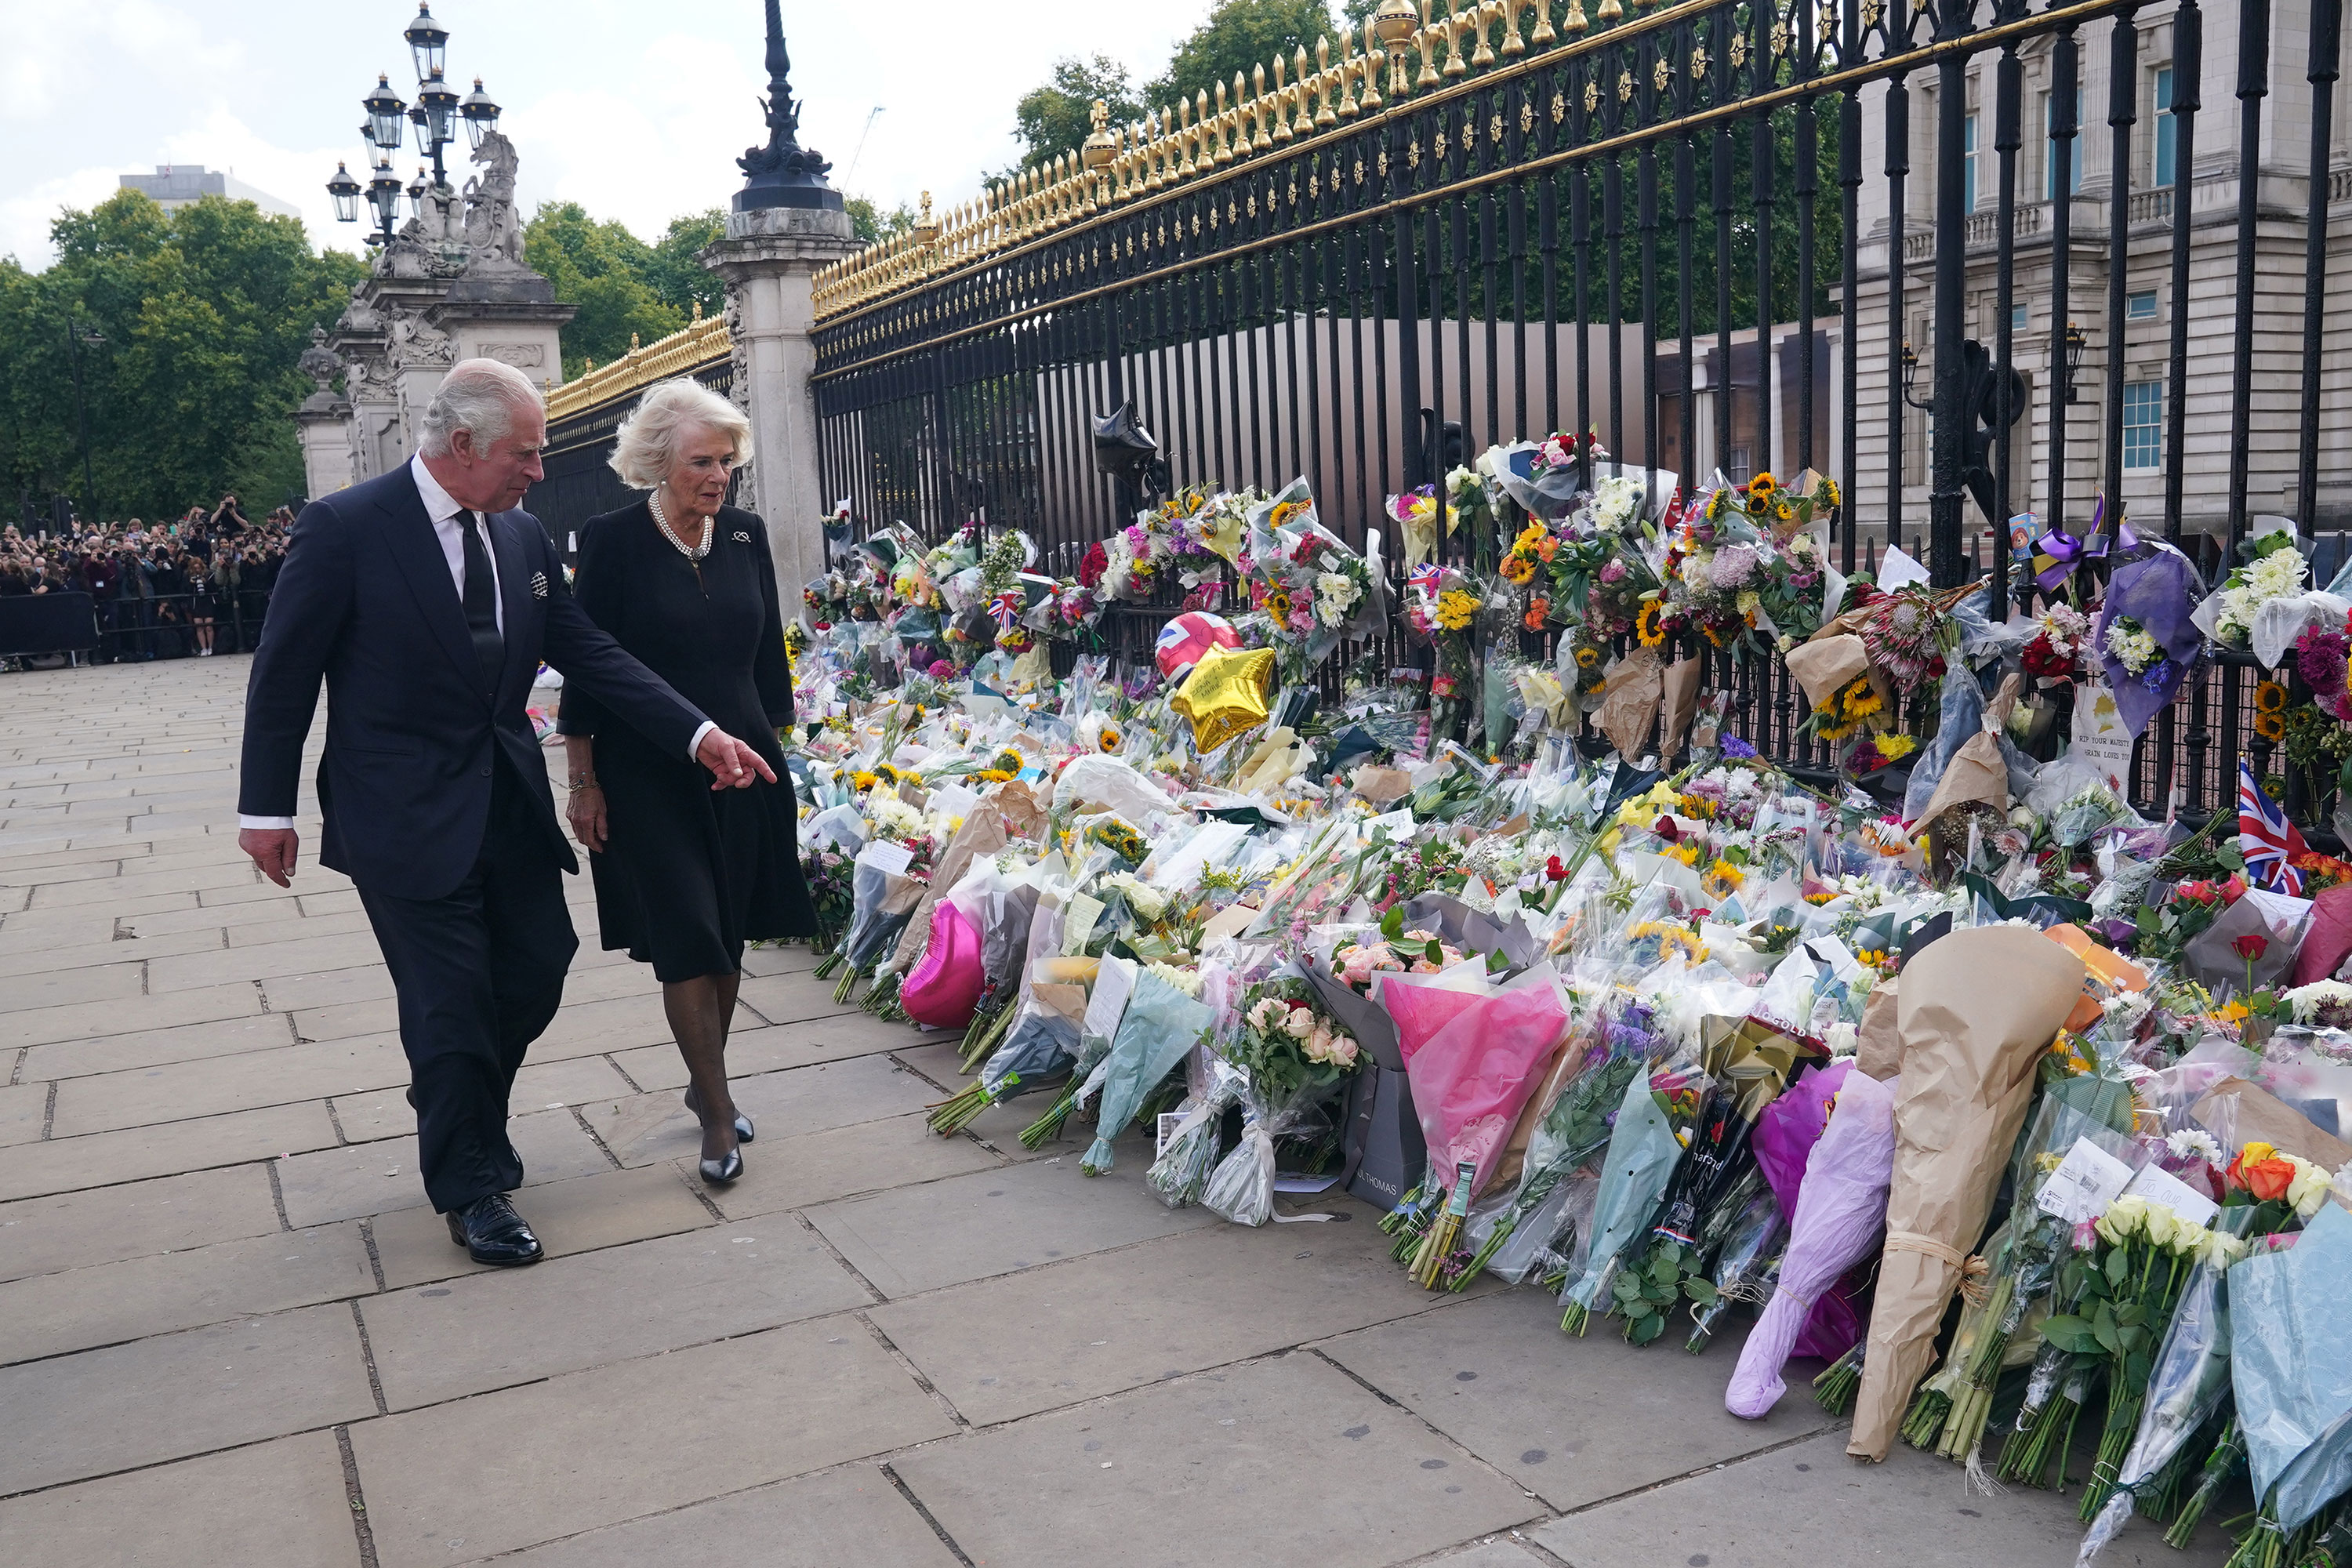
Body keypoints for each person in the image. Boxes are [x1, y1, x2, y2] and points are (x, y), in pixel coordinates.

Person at [237, 358, 779, 1268]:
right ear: (462, 446)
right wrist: (265, 806)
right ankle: (473, 1184)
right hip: (400, 812)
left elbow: (591, 653)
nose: (538, 471)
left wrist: (698, 734)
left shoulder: (521, 536)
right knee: (448, 1005)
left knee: (535, 968)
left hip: (507, 802)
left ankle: (458, 1100)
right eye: (525, 454)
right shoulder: (346, 528)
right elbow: (284, 671)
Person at [559, 378, 815, 1185]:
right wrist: (583, 778)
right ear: (656, 462)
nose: (717, 477)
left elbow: (766, 651)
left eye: (727, 462)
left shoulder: (743, 535)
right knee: (687, 937)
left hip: (745, 768)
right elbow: (586, 667)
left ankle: (706, 1075)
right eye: (701, 461)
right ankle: (714, 1111)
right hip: (647, 774)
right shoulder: (612, 539)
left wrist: (788, 741)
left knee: (728, 936)